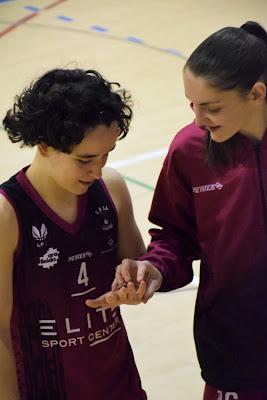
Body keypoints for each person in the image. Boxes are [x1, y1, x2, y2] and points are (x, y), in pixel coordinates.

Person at [87, 21, 267, 400]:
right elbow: (175, 238)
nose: (198, 119)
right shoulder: (189, 149)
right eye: (192, 104)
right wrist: (154, 269)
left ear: (256, 93)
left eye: (211, 107)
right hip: (236, 353)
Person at [0, 68, 148, 400]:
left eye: (106, 155)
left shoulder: (111, 188)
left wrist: (139, 283)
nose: (97, 170)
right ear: (43, 145)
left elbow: (138, 267)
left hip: (120, 385)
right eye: (84, 160)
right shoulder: (7, 215)